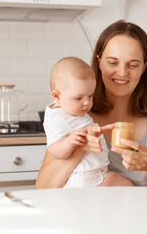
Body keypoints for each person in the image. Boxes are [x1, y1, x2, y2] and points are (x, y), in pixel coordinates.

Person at [36, 20, 147, 188]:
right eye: (112, 62)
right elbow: (43, 188)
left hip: (139, 213)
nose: (122, 72)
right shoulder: (77, 114)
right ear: (99, 62)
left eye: (133, 65)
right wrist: (81, 147)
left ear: (144, 68)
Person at [44, 56, 133, 187]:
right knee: (127, 188)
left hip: (96, 171)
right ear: (57, 96)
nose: (86, 103)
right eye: (79, 98)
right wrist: (69, 143)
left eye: (90, 96)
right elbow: (54, 150)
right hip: (86, 175)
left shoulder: (73, 111)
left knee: (126, 187)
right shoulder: (57, 118)